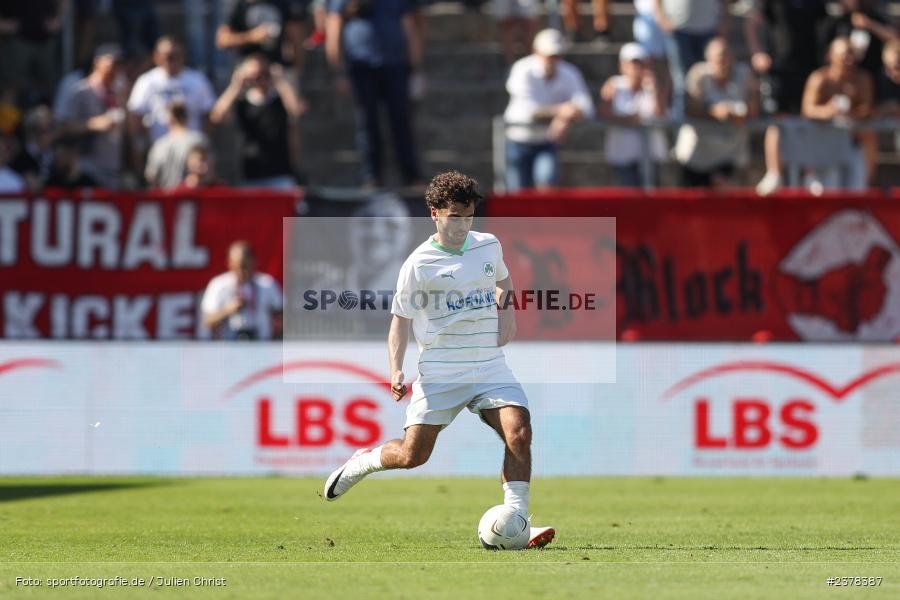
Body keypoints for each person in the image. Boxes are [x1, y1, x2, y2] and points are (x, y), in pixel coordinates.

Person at [322, 170, 555, 550]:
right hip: (441, 372)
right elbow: (399, 321)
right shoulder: (419, 264)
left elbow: (503, 281)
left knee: (519, 431)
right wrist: (396, 368)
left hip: (488, 365)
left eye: (469, 215)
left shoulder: (488, 245)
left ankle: (518, 519)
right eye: (454, 217)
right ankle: (363, 461)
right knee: (413, 455)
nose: (463, 224)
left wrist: (508, 311)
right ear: (434, 214)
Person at [326, 0, 424, 187]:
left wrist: (416, 68)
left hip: (395, 65)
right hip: (360, 65)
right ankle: (371, 177)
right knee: (367, 123)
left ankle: (411, 175)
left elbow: (410, 27)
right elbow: (334, 26)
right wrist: (338, 71)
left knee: (401, 121)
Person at [745, 0, 829, 195]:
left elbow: (824, 26)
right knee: (777, 119)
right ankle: (774, 172)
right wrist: (757, 52)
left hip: (809, 66)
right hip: (779, 67)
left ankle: (809, 172)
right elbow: (752, 22)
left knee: (808, 119)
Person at [503, 28, 594, 191]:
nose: (553, 59)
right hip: (518, 140)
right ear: (536, 52)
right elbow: (530, 110)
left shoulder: (569, 72)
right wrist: (563, 112)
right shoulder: (522, 69)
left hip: (546, 141)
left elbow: (587, 107)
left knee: (546, 188)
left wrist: (564, 118)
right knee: (517, 195)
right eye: (549, 55)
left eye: (556, 55)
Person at [209, 54, 307, 187]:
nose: (259, 79)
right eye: (254, 76)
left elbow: (296, 110)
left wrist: (280, 81)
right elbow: (217, 115)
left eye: (263, 74)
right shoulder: (242, 103)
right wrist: (235, 85)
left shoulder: (279, 101)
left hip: (281, 173)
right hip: (250, 174)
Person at [673, 36, 758, 188]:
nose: (724, 61)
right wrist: (713, 111)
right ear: (709, 58)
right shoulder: (699, 74)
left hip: (729, 156)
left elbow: (754, 108)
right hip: (696, 157)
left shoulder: (744, 74)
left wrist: (737, 114)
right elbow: (690, 107)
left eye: (727, 55)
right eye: (720, 57)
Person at [800, 36, 873, 191]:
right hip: (823, 146)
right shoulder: (819, 78)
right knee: (828, 191)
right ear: (831, 55)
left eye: (851, 54)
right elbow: (807, 109)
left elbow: (868, 108)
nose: (848, 59)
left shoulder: (862, 79)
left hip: (852, 144)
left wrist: (852, 113)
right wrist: (829, 111)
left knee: (856, 191)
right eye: (844, 54)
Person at [57, 44, 127, 189]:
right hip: (88, 169)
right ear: (97, 63)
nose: (115, 70)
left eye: (119, 65)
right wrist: (93, 124)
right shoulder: (80, 91)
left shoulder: (119, 91)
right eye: (112, 64)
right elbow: (62, 127)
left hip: (114, 168)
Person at [127, 37, 216, 150]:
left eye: (175, 55)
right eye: (167, 56)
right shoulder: (147, 81)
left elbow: (211, 113)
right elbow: (135, 114)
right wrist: (140, 144)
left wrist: (201, 139)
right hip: (158, 147)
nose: (171, 60)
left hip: (190, 148)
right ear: (157, 56)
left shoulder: (197, 80)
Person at [598, 43, 667, 187]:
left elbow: (661, 115)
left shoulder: (653, 87)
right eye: (633, 64)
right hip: (623, 156)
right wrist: (630, 120)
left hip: (651, 156)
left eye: (641, 64)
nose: (637, 68)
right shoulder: (614, 85)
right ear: (622, 66)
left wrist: (654, 90)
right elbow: (603, 113)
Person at [654, 0, 729, 118]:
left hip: (709, 27)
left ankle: (706, 124)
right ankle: (682, 127)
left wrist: (724, 20)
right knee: (682, 84)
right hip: (678, 28)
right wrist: (661, 18)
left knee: (709, 82)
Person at [201, 241, 283, 340]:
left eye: (244, 267)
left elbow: (282, 314)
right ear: (229, 263)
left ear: (253, 262)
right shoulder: (219, 285)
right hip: (228, 346)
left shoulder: (267, 284)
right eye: (237, 267)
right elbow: (207, 320)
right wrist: (227, 310)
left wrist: (276, 340)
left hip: (261, 344)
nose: (241, 272)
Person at [216, 0, 306, 71]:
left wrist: (297, 68)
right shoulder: (238, 5)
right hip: (247, 67)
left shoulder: (281, 3)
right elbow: (222, 40)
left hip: (276, 68)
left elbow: (295, 37)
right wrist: (251, 37)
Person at [144, 100, 209, 189]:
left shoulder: (159, 145)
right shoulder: (199, 140)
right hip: (192, 198)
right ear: (186, 117)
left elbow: (152, 179)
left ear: (169, 120)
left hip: (167, 199)